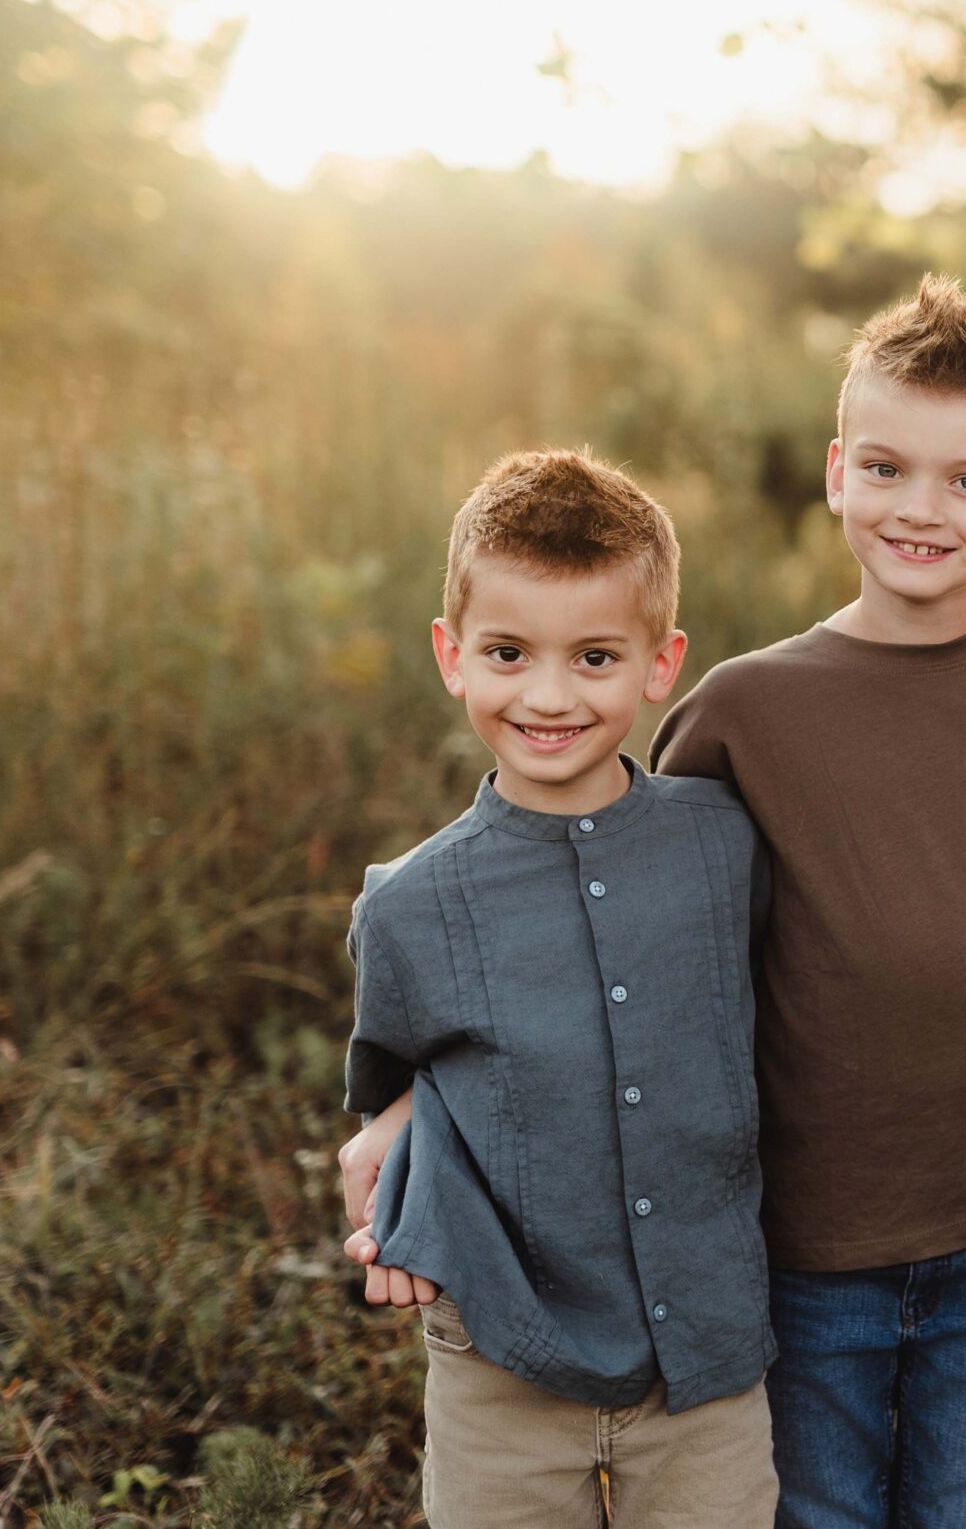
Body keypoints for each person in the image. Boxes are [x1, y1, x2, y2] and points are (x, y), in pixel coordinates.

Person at [649, 275, 966, 1529]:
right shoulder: (744, 712)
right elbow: (620, 930)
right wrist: (410, 1085)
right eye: (890, 468)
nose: (923, 508)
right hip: (801, 1248)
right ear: (839, 473)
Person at [337, 448, 777, 1528]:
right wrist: (396, 1160)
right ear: (451, 655)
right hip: (502, 1359)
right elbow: (394, 1092)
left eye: (593, 656)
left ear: (660, 662)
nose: (547, 695)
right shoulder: (406, 907)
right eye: (506, 652)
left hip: (706, 1370)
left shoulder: (728, 846)